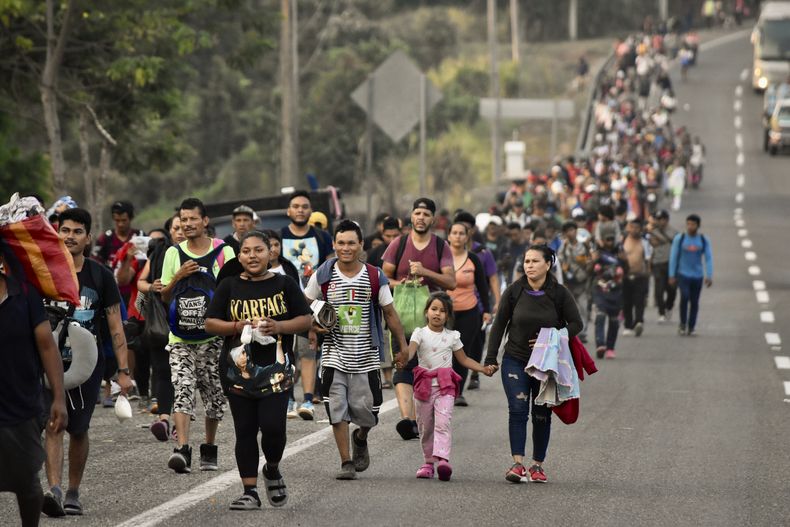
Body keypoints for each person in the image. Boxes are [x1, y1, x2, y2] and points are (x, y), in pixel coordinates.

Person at [205, 231, 312, 510]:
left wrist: (278, 326)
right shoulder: (228, 286)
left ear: (270, 253)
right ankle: (249, 491)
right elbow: (210, 323)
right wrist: (237, 326)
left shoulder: (285, 284)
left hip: (276, 372)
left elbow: (305, 319)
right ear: (239, 256)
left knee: (274, 428)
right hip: (237, 372)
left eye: (258, 250)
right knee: (245, 430)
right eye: (246, 251)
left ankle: (273, 468)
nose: (252, 256)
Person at [42, 208, 133, 516]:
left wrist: (123, 371)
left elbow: (115, 325)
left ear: (88, 237)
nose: (70, 236)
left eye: (77, 231)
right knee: (53, 424)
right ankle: (53, 490)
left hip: (86, 368)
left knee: (78, 430)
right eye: (65, 230)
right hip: (47, 364)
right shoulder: (43, 271)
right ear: (57, 232)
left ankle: (72, 491)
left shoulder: (100, 276)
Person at [305, 220, 409, 480]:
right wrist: (313, 326)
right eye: (341, 243)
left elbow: (390, 312)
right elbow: (305, 303)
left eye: (351, 243)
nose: (346, 248)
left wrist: (402, 346)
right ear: (334, 245)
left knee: (370, 413)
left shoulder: (374, 276)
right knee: (336, 408)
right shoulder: (324, 274)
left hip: (367, 356)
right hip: (333, 355)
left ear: (361, 245)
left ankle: (360, 437)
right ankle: (346, 461)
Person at [485, 245, 583, 484]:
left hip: (545, 364)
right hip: (514, 359)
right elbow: (499, 325)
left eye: (534, 261)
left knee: (541, 414)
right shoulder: (514, 291)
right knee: (517, 410)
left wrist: (551, 337)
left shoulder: (559, 294)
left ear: (548, 264)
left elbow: (576, 323)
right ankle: (517, 464)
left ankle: (537, 465)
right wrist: (490, 357)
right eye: (526, 261)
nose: (529, 265)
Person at [160, 198, 236, 473]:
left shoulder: (224, 252)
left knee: (214, 398)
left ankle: (210, 447)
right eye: (183, 219)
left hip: (213, 338)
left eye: (193, 219)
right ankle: (182, 449)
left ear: (205, 221)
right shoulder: (172, 254)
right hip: (180, 338)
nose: (187, 224)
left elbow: (232, 290)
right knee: (182, 388)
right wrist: (178, 275)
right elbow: (164, 296)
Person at [394, 292, 496, 481]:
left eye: (442, 311)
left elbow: (464, 359)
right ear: (426, 312)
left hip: (445, 386)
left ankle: (443, 461)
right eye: (434, 309)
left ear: (448, 316)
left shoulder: (452, 337)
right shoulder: (419, 333)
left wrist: (482, 369)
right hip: (424, 386)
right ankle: (428, 462)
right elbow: (411, 351)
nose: (437, 314)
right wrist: (403, 358)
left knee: (443, 423)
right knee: (425, 426)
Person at [0, 249, 68, 527]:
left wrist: (59, 399)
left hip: (22, 405)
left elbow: (47, 346)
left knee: (27, 483)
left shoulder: (25, 294)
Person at [382, 198, 455, 440]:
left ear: (432, 219)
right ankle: (408, 420)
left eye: (425, 213)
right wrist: (399, 283)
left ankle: (428, 416)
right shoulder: (398, 244)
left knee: (428, 369)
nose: (421, 217)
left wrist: (425, 272)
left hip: (433, 321)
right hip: (401, 317)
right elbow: (384, 278)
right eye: (417, 213)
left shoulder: (440, 246)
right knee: (403, 364)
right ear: (411, 217)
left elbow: (451, 282)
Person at [280, 190, 333, 420]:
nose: (300, 209)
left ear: (310, 211)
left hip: (313, 301)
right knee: (284, 352)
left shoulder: (321, 237)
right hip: (283, 301)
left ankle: (308, 399)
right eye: (296, 206)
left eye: (304, 206)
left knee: (308, 350)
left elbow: (331, 266)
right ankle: (288, 397)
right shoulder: (279, 236)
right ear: (288, 211)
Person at [137, 214, 185, 441]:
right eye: (176, 227)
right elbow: (141, 282)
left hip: (189, 322)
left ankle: (179, 423)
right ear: (170, 231)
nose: (181, 230)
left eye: (184, 226)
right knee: (163, 371)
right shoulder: (159, 252)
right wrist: (151, 286)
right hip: (161, 322)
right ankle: (164, 420)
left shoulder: (197, 253)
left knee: (183, 376)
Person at [445, 221, 491, 406]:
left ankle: (457, 392)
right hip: (444, 314)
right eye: (454, 233)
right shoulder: (442, 257)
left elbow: (482, 286)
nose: (457, 236)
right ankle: (442, 388)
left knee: (462, 352)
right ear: (448, 236)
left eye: (461, 233)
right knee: (443, 352)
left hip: (469, 312)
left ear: (467, 236)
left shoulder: (473, 259)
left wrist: (486, 310)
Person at [365, 216, 402, 390]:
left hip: (405, 300)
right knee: (384, 338)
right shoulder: (375, 253)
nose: (392, 239)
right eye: (388, 235)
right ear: (382, 234)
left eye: (395, 235)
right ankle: (387, 377)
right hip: (381, 301)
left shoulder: (405, 249)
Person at [669, 214, 713, 336]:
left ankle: (691, 326)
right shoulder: (680, 238)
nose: (690, 226)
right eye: (688, 224)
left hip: (697, 276)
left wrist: (709, 275)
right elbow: (674, 257)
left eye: (693, 224)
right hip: (683, 274)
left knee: (694, 301)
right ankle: (682, 323)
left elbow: (708, 258)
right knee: (684, 297)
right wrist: (671, 274)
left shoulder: (703, 240)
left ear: (698, 226)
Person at [93, 200, 144, 304]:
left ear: (131, 218)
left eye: (124, 220)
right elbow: (95, 264)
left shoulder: (140, 237)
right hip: (111, 292)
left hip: (135, 293)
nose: (120, 224)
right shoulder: (105, 239)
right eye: (117, 220)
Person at [591, 231, 626, 359]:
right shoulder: (597, 254)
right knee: (600, 315)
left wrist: (624, 261)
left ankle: (610, 348)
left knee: (614, 320)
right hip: (600, 289)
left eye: (612, 240)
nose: (610, 242)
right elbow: (589, 271)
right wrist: (593, 261)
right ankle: (600, 344)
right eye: (607, 240)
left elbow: (626, 271)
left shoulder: (620, 255)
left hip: (616, 291)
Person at [558, 221, 592, 342]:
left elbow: (590, 261)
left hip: (582, 280)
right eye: (567, 231)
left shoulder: (584, 246)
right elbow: (559, 261)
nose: (570, 233)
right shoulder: (564, 246)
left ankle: (583, 332)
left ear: (576, 231)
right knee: (572, 308)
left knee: (584, 306)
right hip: (569, 281)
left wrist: (587, 264)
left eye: (572, 230)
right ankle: (574, 332)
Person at [621, 219, 652, 338]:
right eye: (632, 227)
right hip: (626, 277)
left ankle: (639, 322)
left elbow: (648, 258)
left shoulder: (644, 242)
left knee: (639, 301)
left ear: (641, 229)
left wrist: (648, 272)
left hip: (640, 276)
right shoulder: (623, 241)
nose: (634, 230)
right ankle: (628, 325)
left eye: (637, 228)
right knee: (627, 302)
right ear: (628, 228)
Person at [647, 210, 678, 323]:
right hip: (657, 263)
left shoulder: (674, 232)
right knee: (659, 289)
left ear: (667, 220)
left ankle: (669, 307)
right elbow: (651, 245)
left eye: (662, 219)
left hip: (671, 263)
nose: (660, 222)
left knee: (671, 289)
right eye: (658, 219)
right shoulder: (652, 232)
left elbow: (675, 244)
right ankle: (661, 312)